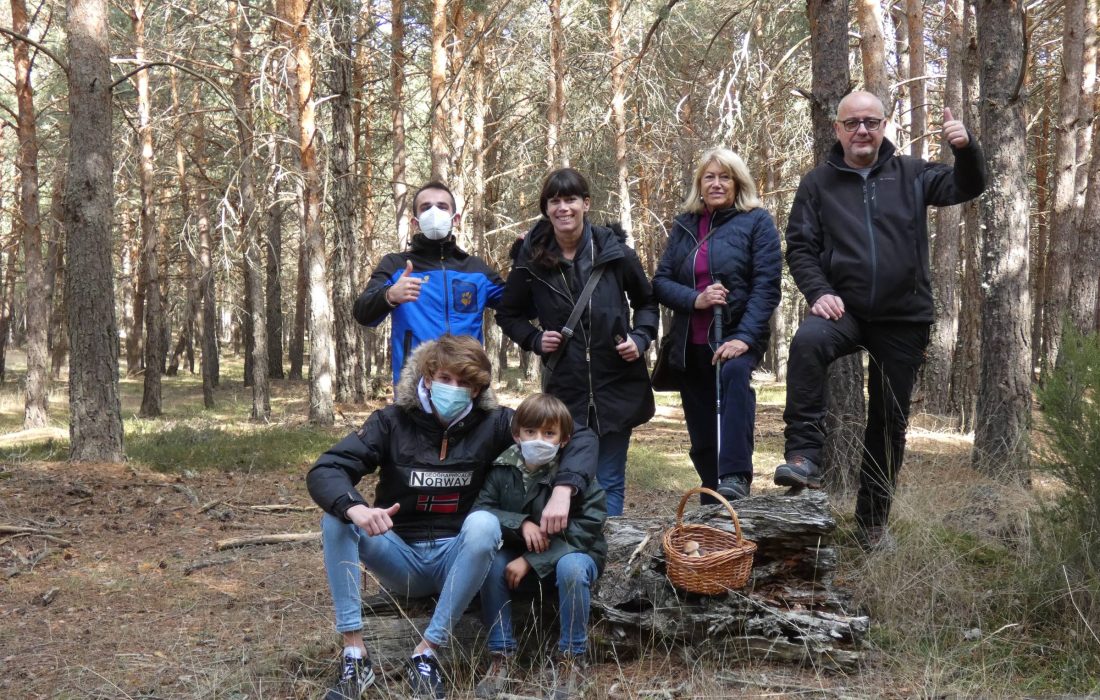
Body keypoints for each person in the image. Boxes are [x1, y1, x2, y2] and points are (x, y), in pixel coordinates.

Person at [306, 335, 596, 700]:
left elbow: (578, 436)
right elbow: (327, 468)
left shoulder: (495, 424)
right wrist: (356, 508)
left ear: (477, 390)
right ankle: (354, 653)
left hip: (458, 558)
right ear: (427, 377)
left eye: (465, 383)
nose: (453, 389)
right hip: (399, 553)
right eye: (445, 378)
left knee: (485, 522)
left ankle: (427, 653)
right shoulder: (391, 422)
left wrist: (563, 488)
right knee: (336, 519)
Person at [776, 90, 987, 550]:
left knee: (888, 420)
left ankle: (872, 524)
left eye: (871, 122)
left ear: (884, 125)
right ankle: (804, 457)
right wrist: (819, 291)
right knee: (808, 343)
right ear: (838, 129)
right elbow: (801, 247)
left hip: (903, 317)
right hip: (845, 311)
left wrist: (966, 148)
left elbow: (967, 187)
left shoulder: (912, 173)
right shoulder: (818, 184)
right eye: (852, 123)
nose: (862, 131)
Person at [495, 168, 658, 516]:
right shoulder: (532, 260)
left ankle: (607, 552)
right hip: (564, 388)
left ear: (586, 203)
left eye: (570, 199)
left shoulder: (616, 253)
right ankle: (570, 553)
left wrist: (640, 338)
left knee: (610, 478)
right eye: (554, 201)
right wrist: (535, 340)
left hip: (617, 383)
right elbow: (508, 314)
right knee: (565, 478)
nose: (563, 208)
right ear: (546, 209)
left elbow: (647, 303)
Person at [652, 148, 782, 504]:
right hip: (689, 342)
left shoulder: (757, 221)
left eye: (725, 176)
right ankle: (714, 499)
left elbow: (767, 286)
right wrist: (697, 299)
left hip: (737, 334)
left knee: (734, 380)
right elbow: (661, 282)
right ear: (700, 183)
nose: (717, 183)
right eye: (709, 177)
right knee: (703, 432)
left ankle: (736, 479)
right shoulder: (684, 225)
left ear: (738, 182)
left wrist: (744, 338)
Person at [473, 393, 607, 700]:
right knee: (491, 563)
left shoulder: (574, 474)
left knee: (571, 567)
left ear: (564, 439)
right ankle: (501, 654)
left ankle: (572, 658)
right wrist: (521, 523)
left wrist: (533, 559)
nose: (539, 440)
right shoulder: (502, 469)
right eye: (531, 432)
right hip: (516, 552)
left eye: (549, 433)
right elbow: (482, 510)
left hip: (574, 553)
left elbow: (589, 525)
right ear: (517, 434)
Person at [354, 181, 505, 384]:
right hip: (414, 387)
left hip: (467, 384)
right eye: (426, 207)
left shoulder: (476, 270)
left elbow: (518, 304)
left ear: (456, 218)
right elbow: (363, 314)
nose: (434, 212)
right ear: (415, 222)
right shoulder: (396, 265)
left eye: (442, 207)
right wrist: (389, 295)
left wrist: (526, 255)